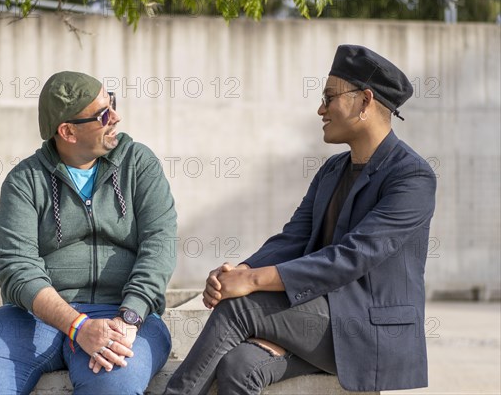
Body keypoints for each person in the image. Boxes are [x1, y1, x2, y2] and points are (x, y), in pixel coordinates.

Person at [164, 44, 437, 394]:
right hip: (321, 321)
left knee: (240, 307)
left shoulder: (411, 177)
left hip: (369, 332)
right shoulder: (332, 170)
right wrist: (239, 271)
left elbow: (352, 256)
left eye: (329, 98)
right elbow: (292, 238)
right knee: (240, 365)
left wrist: (254, 282)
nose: (320, 109)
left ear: (365, 101)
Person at [0, 71, 177, 394]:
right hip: (37, 318)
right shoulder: (25, 181)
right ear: (68, 131)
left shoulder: (138, 164)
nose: (116, 116)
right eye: (102, 114)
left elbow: (160, 244)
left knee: (115, 384)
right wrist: (77, 325)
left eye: (111, 102)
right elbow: (16, 266)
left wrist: (131, 316)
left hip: (122, 315)